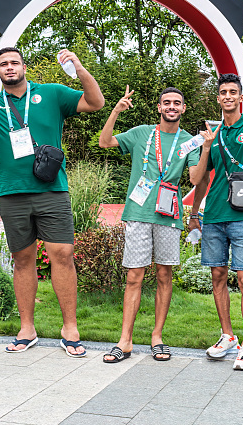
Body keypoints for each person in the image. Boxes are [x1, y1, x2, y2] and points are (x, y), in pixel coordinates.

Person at [0, 47, 105, 357]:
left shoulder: (52, 94)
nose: (9, 67)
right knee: (23, 259)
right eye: (3, 64)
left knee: (62, 254)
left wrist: (79, 68)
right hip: (11, 193)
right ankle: (27, 329)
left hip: (52, 189)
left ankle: (70, 328)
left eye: (14, 62)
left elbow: (96, 102)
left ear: (24, 66)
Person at [97, 86, 212, 363]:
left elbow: (196, 179)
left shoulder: (190, 141)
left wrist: (206, 146)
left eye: (177, 103)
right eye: (166, 103)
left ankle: (157, 337)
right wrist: (116, 110)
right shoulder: (141, 133)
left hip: (169, 215)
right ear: (159, 107)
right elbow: (105, 142)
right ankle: (125, 341)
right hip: (139, 212)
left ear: (184, 109)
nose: (171, 107)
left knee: (164, 276)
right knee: (134, 277)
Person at [189, 73, 243, 370]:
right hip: (215, 216)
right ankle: (228, 336)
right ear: (218, 98)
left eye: (234, 92)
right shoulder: (212, 133)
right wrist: (195, 215)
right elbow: (198, 179)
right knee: (218, 276)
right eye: (224, 92)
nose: (228, 96)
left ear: (241, 97)